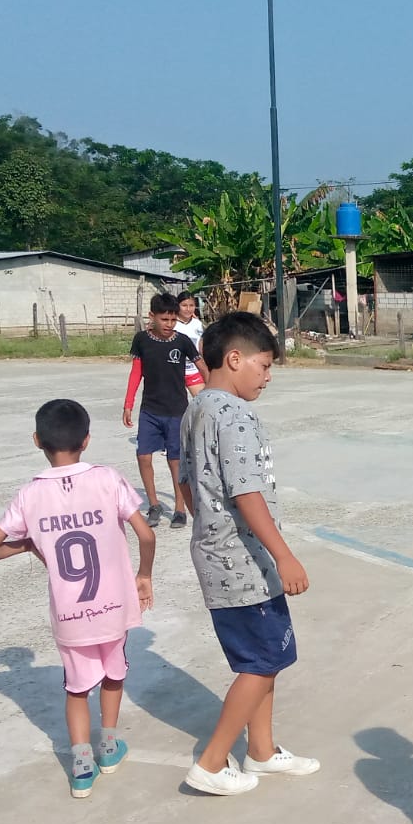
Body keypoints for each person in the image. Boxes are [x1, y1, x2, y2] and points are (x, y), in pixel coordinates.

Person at [0, 399, 156, 799]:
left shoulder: (30, 495)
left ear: (37, 440)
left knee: (76, 687)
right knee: (114, 674)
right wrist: (143, 576)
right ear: (86, 440)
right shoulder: (107, 479)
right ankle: (108, 747)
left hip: (70, 615)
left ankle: (82, 767)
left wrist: (27, 545)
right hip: (113, 606)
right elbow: (146, 534)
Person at [177, 312, 318, 797]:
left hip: (217, 553)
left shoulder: (196, 408)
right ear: (234, 359)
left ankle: (261, 750)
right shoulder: (234, 414)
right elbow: (246, 491)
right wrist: (284, 556)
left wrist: (208, 524)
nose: (268, 376)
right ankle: (213, 761)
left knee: (266, 657)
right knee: (261, 661)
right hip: (244, 560)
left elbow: (186, 483)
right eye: (264, 365)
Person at [124, 292, 205, 530]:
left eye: (173, 320)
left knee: (175, 461)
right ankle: (154, 505)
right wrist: (128, 403)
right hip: (149, 410)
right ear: (152, 316)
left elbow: (202, 366)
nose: (169, 325)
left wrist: (214, 392)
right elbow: (136, 373)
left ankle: (180, 508)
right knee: (143, 456)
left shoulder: (182, 341)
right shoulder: (141, 340)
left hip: (176, 411)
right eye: (164, 320)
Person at [175, 290, 206, 397]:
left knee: (202, 401)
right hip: (176, 373)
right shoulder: (171, 324)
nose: (188, 309)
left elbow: (201, 346)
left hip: (194, 371)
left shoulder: (197, 324)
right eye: (184, 305)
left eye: (191, 305)